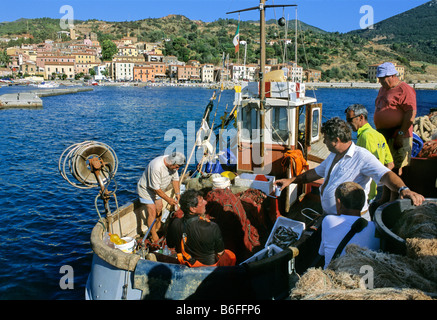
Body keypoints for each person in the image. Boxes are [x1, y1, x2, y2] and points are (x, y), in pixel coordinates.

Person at [275, 117, 424, 220]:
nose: (324, 142)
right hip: (330, 216)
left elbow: (385, 175)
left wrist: (403, 189)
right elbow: (313, 174)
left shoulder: (362, 156)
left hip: (351, 221)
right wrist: (291, 180)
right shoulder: (334, 154)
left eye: (326, 138)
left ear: (336, 141)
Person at [166, 189, 236, 267]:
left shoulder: (174, 223)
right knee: (231, 255)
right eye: (202, 201)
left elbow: (170, 244)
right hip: (209, 267)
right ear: (192, 209)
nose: (205, 202)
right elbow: (220, 253)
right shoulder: (212, 227)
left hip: (186, 263)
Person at [318, 182, 380, 269]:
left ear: (339, 203)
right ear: (362, 204)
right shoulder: (374, 228)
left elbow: (322, 252)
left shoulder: (328, 220)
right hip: (361, 279)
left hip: (331, 278)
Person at [374, 62, 417, 176]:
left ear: (392, 76)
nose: (380, 81)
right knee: (385, 166)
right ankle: (387, 193)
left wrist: (401, 133)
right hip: (384, 135)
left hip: (398, 135)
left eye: (383, 78)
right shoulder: (383, 89)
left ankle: (398, 192)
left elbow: (411, 113)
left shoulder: (405, 89)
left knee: (398, 167)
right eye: (380, 78)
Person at [345, 103, 394, 202]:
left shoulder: (366, 137)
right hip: (375, 192)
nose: (348, 123)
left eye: (350, 120)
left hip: (366, 194)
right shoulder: (378, 135)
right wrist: (378, 183)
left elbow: (371, 165)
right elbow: (390, 164)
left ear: (361, 117)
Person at [137, 151, 185, 243]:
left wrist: (177, 193)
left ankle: (158, 229)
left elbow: (175, 180)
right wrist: (169, 200)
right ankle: (154, 235)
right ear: (171, 162)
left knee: (159, 208)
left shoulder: (173, 165)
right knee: (152, 212)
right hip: (147, 190)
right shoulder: (156, 167)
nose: (178, 169)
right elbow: (156, 189)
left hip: (159, 189)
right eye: (177, 167)